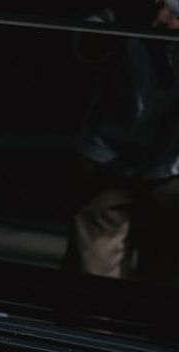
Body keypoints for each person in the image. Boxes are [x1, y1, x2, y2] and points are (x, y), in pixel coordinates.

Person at [62, 0, 179, 286]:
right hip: (109, 156)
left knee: (164, 284)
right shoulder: (114, 12)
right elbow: (87, 45)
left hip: (171, 165)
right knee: (94, 283)